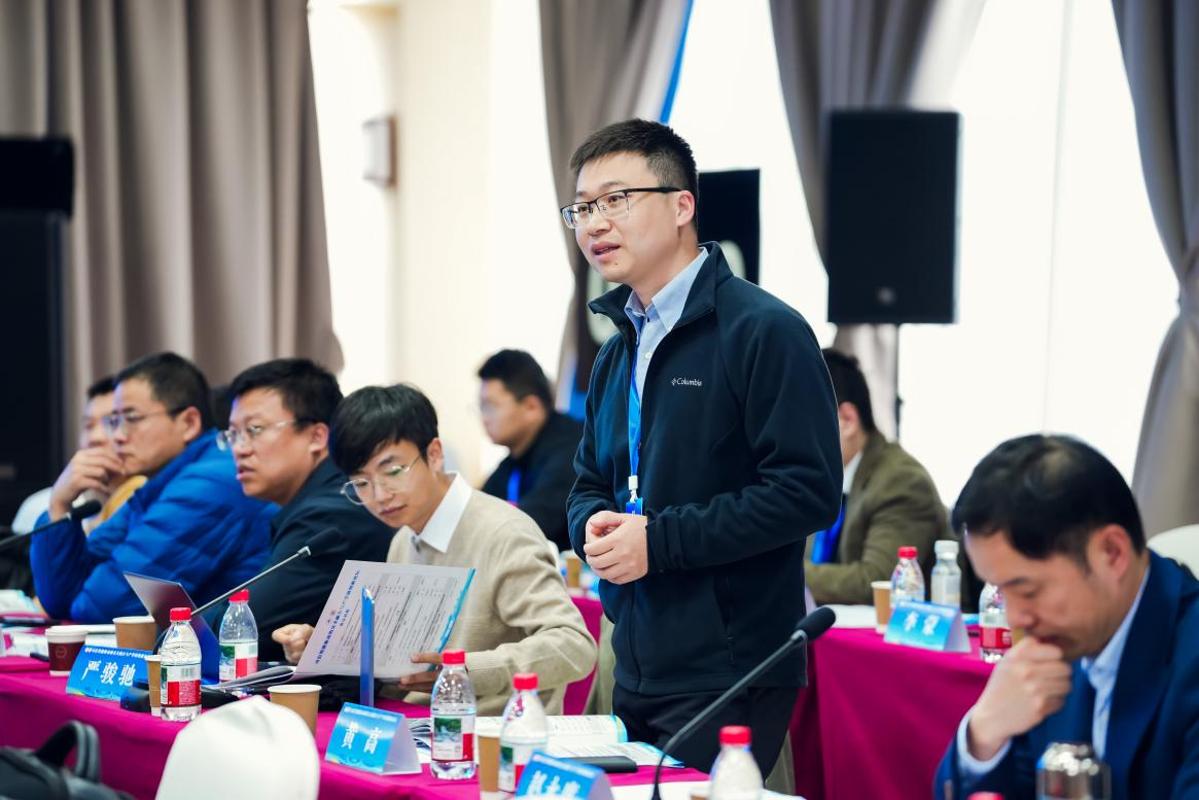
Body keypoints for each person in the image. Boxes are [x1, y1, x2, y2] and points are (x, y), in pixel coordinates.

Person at [563, 119, 842, 772]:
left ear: (681, 205)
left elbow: (805, 492)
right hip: (634, 654)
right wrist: (593, 525)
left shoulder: (763, 330)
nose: (595, 223)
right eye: (582, 208)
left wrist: (657, 542)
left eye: (615, 199)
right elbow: (588, 482)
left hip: (732, 665)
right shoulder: (616, 349)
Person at [272, 384, 595, 715]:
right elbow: (398, 658)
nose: (380, 496)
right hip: (416, 724)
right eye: (362, 483)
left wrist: (464, 670)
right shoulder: (404, 539)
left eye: (392, 471)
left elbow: (573, 645)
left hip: (492, 731)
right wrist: (326, 647)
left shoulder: (503, 534)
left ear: (435, 454)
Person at [935, 434, 1199, 800]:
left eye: (1028, 591)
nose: (1014, 618)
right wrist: (985, 730)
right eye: (1000, 592)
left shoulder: (1187, 656)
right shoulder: (1056, 652)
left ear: (1112, 553)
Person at [30, 352, 274, 622]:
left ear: (188, 423)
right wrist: (59, 506)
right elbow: (60, 601)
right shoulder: (158, 484)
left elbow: (102, 610)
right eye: (114, 421)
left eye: (131, 419)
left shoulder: (208, 485)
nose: (118, 436)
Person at [209, 358, 395, 661]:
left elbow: (246, 630)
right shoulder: (314, 502)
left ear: (316, 437)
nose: (239, 448)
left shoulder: (330, 514)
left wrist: (179, 633)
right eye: (233, 435)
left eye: (254, 430)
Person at [803, 349, 946, 604]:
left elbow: (877, 581)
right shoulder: (818, 480)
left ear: (847, 420)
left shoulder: (901, 481)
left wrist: (779, 572)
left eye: (797, 426)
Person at [478, 349, 582, 552]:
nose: (485, 418)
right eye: (481, 407)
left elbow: (531, 523)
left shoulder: (572, 449)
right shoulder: (515, 459)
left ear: (531, 407)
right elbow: (478, 513)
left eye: (491, 406)